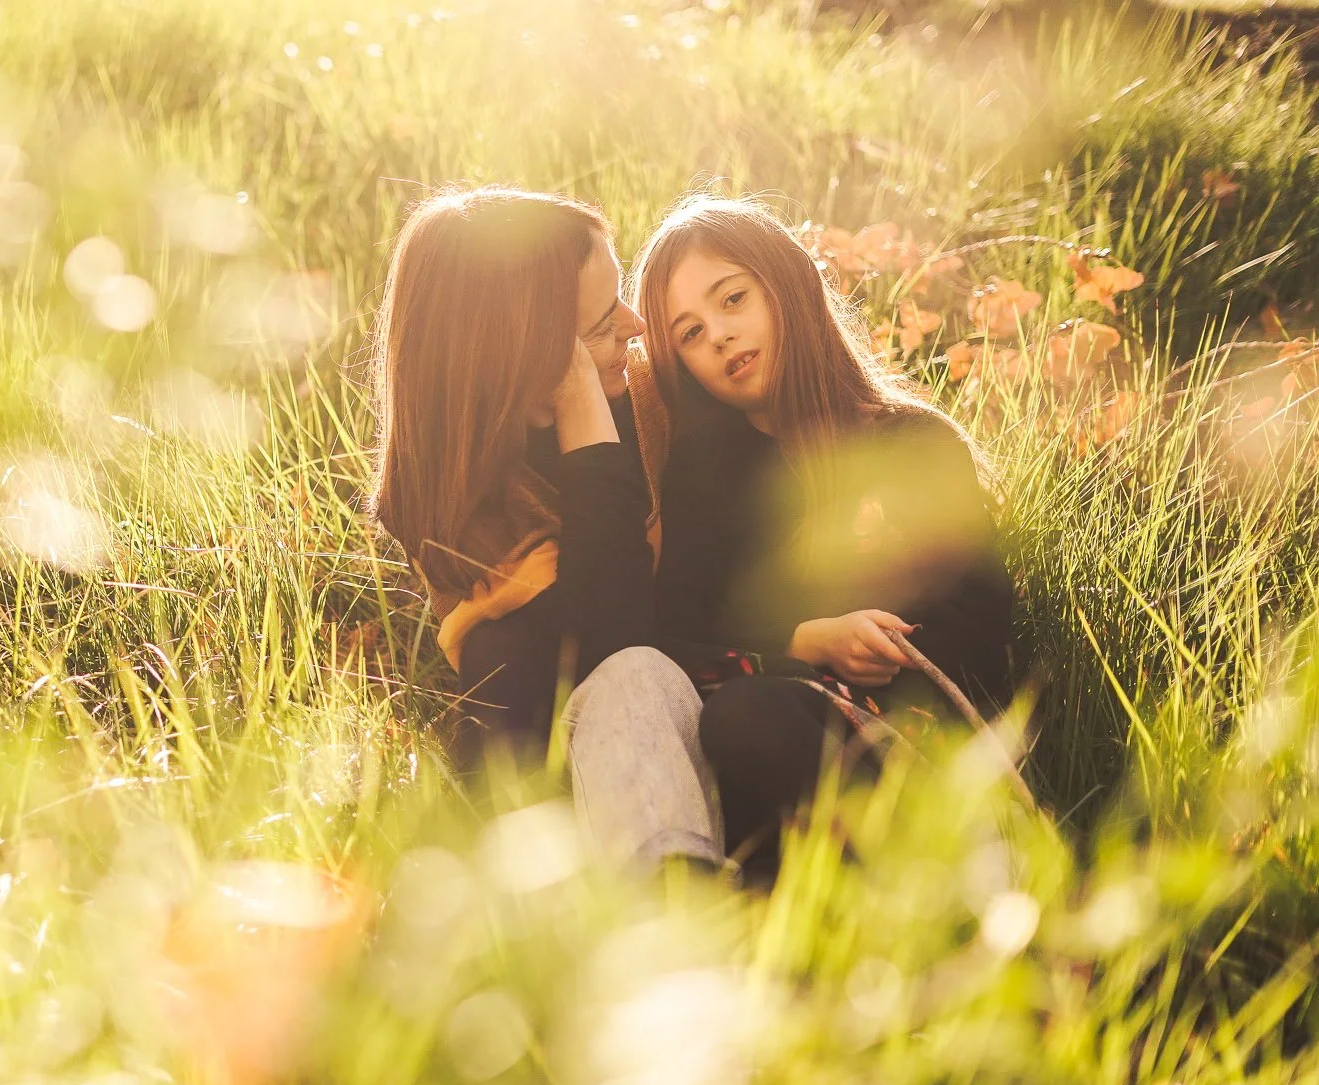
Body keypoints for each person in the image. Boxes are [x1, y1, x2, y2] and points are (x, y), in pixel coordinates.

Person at [637, 195, 1015, 874]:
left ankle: (931, 874)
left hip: (907, 742)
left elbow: (985, 623)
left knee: (748, 718)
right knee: (742, 719)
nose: (718, 335)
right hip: (766, 746)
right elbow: (677, 631)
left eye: (733, 299)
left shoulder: (911, 441)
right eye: (689, 334)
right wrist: (802, 642)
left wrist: (886, 651)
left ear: (787, 284)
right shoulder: (703, 483)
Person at [366, 186, 725, 867]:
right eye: (602, 325)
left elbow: (630, 655)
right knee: (504, 659)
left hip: (716, 705)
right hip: (579, 765)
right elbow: (609, 645)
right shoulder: (460, 511)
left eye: (620, 296)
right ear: (526, 368)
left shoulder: (659, 399)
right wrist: (583, 414)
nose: (636, 327)